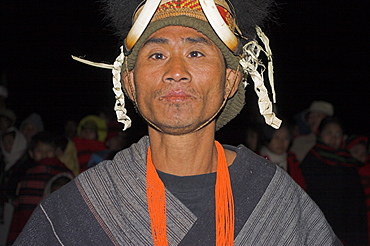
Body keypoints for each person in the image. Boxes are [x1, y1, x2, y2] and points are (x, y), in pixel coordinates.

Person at [15, 0, 341, 245]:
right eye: (157, 55)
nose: (175, 70)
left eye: (196, 53)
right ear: (130, 82)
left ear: (230, 81)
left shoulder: (274, 200)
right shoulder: (81, 209)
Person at [300, 117, 368, 245]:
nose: (334, 137)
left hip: (349, 228)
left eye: (338, 134)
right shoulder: (312, 159)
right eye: (329, 133)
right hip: (322, 226)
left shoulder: (348, 161)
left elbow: (357, 200)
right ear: (320, 134)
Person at [6, 132, 73, 245]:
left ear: (56, 152)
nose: (45, 155)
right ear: (31, 154)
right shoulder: (26, 174)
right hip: (26, 227)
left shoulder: (64, 174)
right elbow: (21, 207)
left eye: (49, 151)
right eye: (39, 151)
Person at [259, 122, 306, 189]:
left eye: (286, 138)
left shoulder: (293, 161)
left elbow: (301, 187)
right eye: (277, 138)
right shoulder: (258, 160)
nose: (281, 142)